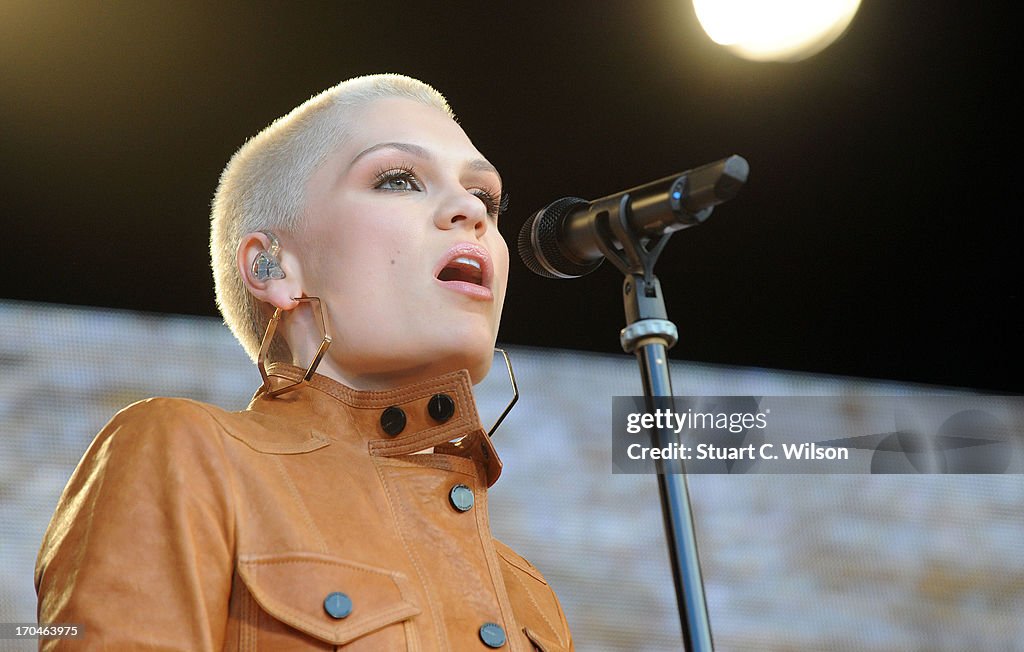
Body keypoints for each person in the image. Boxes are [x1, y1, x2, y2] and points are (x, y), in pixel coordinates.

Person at [35, 74, 573, 651]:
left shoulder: (530, 597)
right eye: (398, 179)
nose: (471, 210)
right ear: (273, 267)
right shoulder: (184, 452)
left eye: (486, 198)